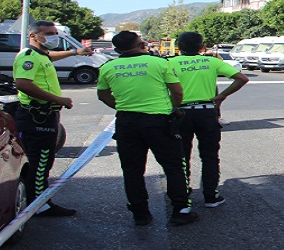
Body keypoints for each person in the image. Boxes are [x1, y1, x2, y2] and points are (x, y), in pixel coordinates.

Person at [96, 31, 198, 226]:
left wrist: (121, 107)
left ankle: (140, 213)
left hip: (127, 122)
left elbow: (103, 95)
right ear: (142, 44)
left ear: (117, 50)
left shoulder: (108, 67)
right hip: (159, 121)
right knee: (174, 166)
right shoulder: (159, 63)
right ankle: (181, 210)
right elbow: (176, 90)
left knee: (132, 169)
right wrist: (175, 108)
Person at [13, 20, 93, 217]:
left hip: (45, 115)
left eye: (55, 33)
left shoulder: (41, 55)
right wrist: (58, 99)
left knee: (43, 161)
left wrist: (75, 52)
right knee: (40, 162)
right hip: (36, 117)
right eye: (48, 33)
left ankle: (38, 201)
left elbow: (49, 56)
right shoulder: (28, 56)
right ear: (33, 36)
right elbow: (22, 83)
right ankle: (39, 205)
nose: (53, 37)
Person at [168, 32, 248, 207]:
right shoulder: (211, 62)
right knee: (210, 156)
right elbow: (242, 78)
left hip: (181, 113)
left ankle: (183, 193)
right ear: (201, 46)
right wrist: (221, 96)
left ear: (179, 47)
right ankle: (211, 195)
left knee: (181, 156)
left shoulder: (168, 63)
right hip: (206, 113)